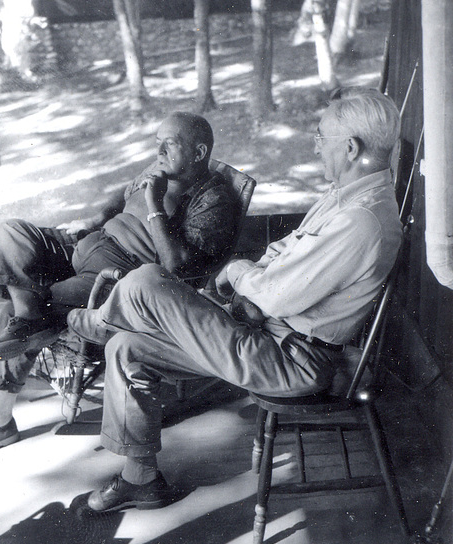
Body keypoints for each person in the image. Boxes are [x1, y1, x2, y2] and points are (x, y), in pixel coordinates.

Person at [65, 87, 404, 514]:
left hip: (290, 360)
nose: (315, 147)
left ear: (351, 148)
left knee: (147, 278)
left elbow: (276, 294)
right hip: (263, 332)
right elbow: (281, 255)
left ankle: (104, 319)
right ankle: (142, 479)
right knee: (127, 349)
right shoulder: (347, 195)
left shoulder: (360, 219)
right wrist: (252, 275)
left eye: (320, 137)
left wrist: (240, 271)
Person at [0, 112, 238, 456]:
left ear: (199, 153)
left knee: (46, 299)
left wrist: (155, 203)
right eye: (157, 142)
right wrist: (95, 220)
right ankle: (26, 313)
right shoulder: (159, 169)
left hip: (117, 273)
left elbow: (177, 268)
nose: (159, 151)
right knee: (11, 232)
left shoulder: (212, 199)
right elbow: (123, 196)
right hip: (87, 245)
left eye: (169, 144)